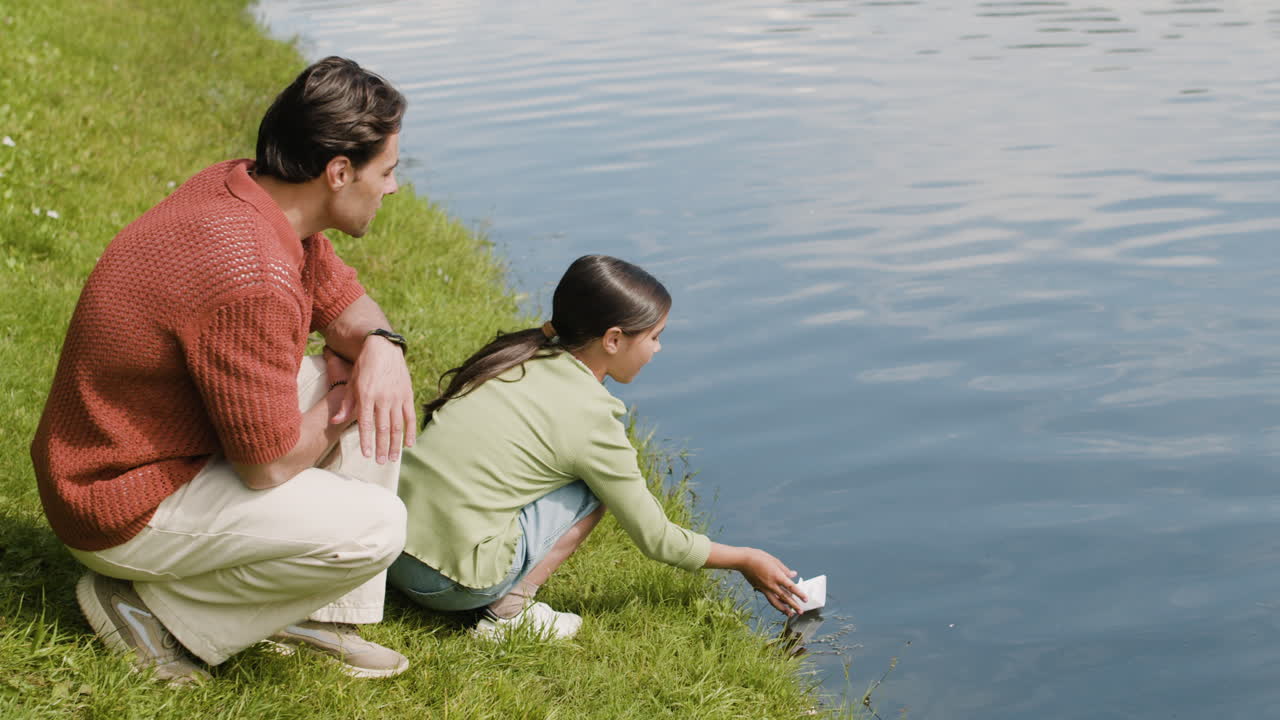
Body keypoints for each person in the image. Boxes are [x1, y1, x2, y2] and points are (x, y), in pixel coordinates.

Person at [30, 56, 418, 683]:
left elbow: (344, 302)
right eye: (389, 171)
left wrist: (382, 346)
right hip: (118, 502)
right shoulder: (251, 274)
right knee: (377, 527)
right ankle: (147, 609)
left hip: (147, 452)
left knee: (379, 385)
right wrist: (341, 401)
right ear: (339, 171)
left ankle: (314, 613)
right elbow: (265, 466)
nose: (394, 188)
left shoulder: (244, 188)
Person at [388, 255, 806, 639]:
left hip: (388, 551)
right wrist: (745, 559)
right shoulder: (591, 420)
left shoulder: (515, 358)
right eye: (655, 337)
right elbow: (657, 539)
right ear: (613, 339)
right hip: (449, 586)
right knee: (594, 490)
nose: (658, 349)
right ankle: (507, 616)